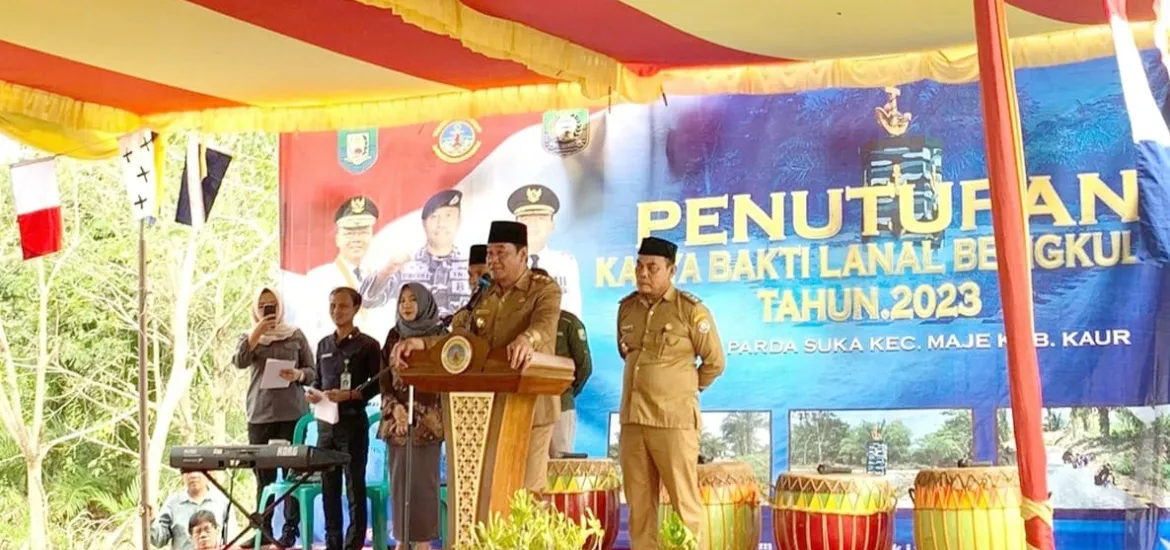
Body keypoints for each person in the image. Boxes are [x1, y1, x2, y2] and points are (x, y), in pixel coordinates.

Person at [391, 221, 562, 492]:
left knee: (528, 492)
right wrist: (421, 343)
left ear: (522, 254)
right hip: (488, 407)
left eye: (501, 253)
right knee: (494, 491)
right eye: (490, 254)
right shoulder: (484, 294)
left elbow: (545, 323)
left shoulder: (543, 289)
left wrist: (527, 339)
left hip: (532, 406)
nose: (493, 260)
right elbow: (461, 340)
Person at [617, 236, 725, 548]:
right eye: (639, 266)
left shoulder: (690, 310)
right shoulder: (626, 309)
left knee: (685, 505)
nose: (643, 273)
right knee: (639, 509)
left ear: (671, 270)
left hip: (673, 423)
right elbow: (629, 355)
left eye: (652, 267)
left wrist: (685, 388)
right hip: (633, 421)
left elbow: (715, 362)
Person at [232, 288, 315, 547]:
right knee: (263, 477)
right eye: (263, 306)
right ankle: (263, 531)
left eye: (273, 305)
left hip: (293, 414)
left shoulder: (295, 334)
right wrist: (256, 333)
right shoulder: (248, 336)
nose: (269, 310)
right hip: (261, 415)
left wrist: (299, 375)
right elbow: (239, 361)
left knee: (293, 476)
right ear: (255, 309)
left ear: (281, 307)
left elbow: (312, 371)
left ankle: (290, 532)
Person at [307, 287, 382, 550]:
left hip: (352, 423)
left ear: (356, 309)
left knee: (354, 486)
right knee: (328, 486)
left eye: (342, 306)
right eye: (333, 306)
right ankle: (333, 542)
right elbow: (318, 380)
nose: (337, 311)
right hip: (325, 425)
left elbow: (377, 384)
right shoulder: (323, 345)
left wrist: (349, 395)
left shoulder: (368, 345)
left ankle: (354, 543)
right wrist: (313, 394)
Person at [379, 283, 447, 550]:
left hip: (428, 423)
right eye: (402, 300)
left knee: (424, 484)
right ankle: (401, 540)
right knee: (400, 485)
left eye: (412, 300)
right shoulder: (393, 335)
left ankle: (423, 542)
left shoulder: (440, 336)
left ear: (425, 303)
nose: (406, 305)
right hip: (397, 421)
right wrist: (395, 409)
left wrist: (418, 410)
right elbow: (385, 379)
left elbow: (446, 378)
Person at [365, 190, 471, 319]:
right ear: (424, 224)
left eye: (448, 216)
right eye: (434, 217)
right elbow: (367, 300)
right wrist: (385, 272)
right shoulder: (405, 265)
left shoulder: (470, 267)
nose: (441, 224)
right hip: (413, 332)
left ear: (459, 221)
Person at [300, 196, 381, 345]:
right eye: (349, 233)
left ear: (372, 236)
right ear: (337, 238)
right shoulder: (317, 279)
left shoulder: (381, 278)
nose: (356, 239)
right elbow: (307, 333)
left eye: (363, 232)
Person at [531, 268, 592, 458]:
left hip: (560, 405)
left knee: (559, 463)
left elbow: (584, 367)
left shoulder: (568, 323)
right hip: (524, 406)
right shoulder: (517, 324)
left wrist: (565, 390)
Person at [507, 184, 582, 317]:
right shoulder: (504, 265)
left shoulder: (565, 263)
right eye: (526, 218)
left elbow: (573, 312)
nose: (533, 225)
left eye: (541, 218)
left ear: (552, 223)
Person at [150, 471, 233, 550]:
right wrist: (151, 520)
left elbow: (232, 539)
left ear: (208, 472)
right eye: (188, 471)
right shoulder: (172, 503)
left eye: (198, 470)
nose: (193, 475)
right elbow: (158, 540)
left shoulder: (222, 501)